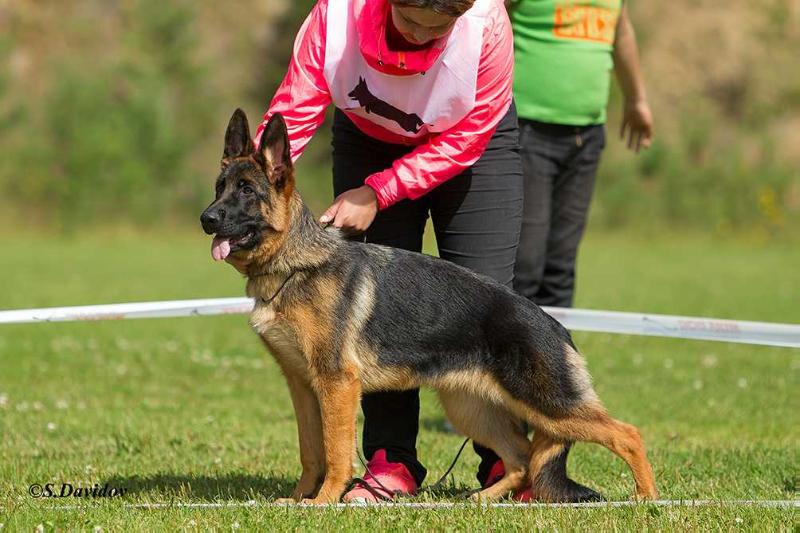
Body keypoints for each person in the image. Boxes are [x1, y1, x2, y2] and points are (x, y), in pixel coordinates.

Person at [254, 0, 525, 502]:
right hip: (369, 138)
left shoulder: (486, 23)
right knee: (372, 309)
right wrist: (252, 185)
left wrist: (379, 192)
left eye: (437, 28)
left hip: (472, 146)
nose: (419, 35)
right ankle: (391, 462)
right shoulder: (337, 15)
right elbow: (293, 111)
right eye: (410, 21)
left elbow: (467, 140)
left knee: (488, 295)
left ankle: (503, 464)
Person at [481, 0, 654, 499]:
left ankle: (553, 414)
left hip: (586, 136)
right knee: (527, 270)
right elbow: (482, 20)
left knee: (559, 274)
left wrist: (637, 99)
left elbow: (621, 32)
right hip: (527, 127)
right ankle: (508, 403)